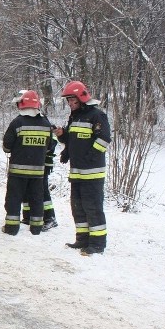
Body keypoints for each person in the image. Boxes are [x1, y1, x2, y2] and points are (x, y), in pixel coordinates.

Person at [54, 80, 112, 255]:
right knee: (77, 207)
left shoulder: (97, 116)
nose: (70, 104)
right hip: (77, 173)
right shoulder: (75, 117)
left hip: (92, 174)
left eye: (73, 101)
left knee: (92, 208)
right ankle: (82, 240)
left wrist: (89, 158)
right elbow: (73, 140)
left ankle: (98, 244)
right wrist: (62, 137)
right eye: (69, 101)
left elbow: (104, 140)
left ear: (82, 98)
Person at [2, 90, 53, 236]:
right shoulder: (45, 123)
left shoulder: (17, 122)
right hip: (37, 172)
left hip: (18, 172)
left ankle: (11, 228)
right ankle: (36, 228)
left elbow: (7, 146)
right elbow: (49, 147)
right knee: (37, 199)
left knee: (14, 199)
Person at [21, 94, 58, 230]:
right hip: (30, 162)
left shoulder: (43, 120)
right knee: (27, 189)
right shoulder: (26, 120)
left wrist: (45, 158)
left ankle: (50, 218)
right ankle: (28, 216)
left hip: (42, 163)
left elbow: (51, 142)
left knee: (42, 190)